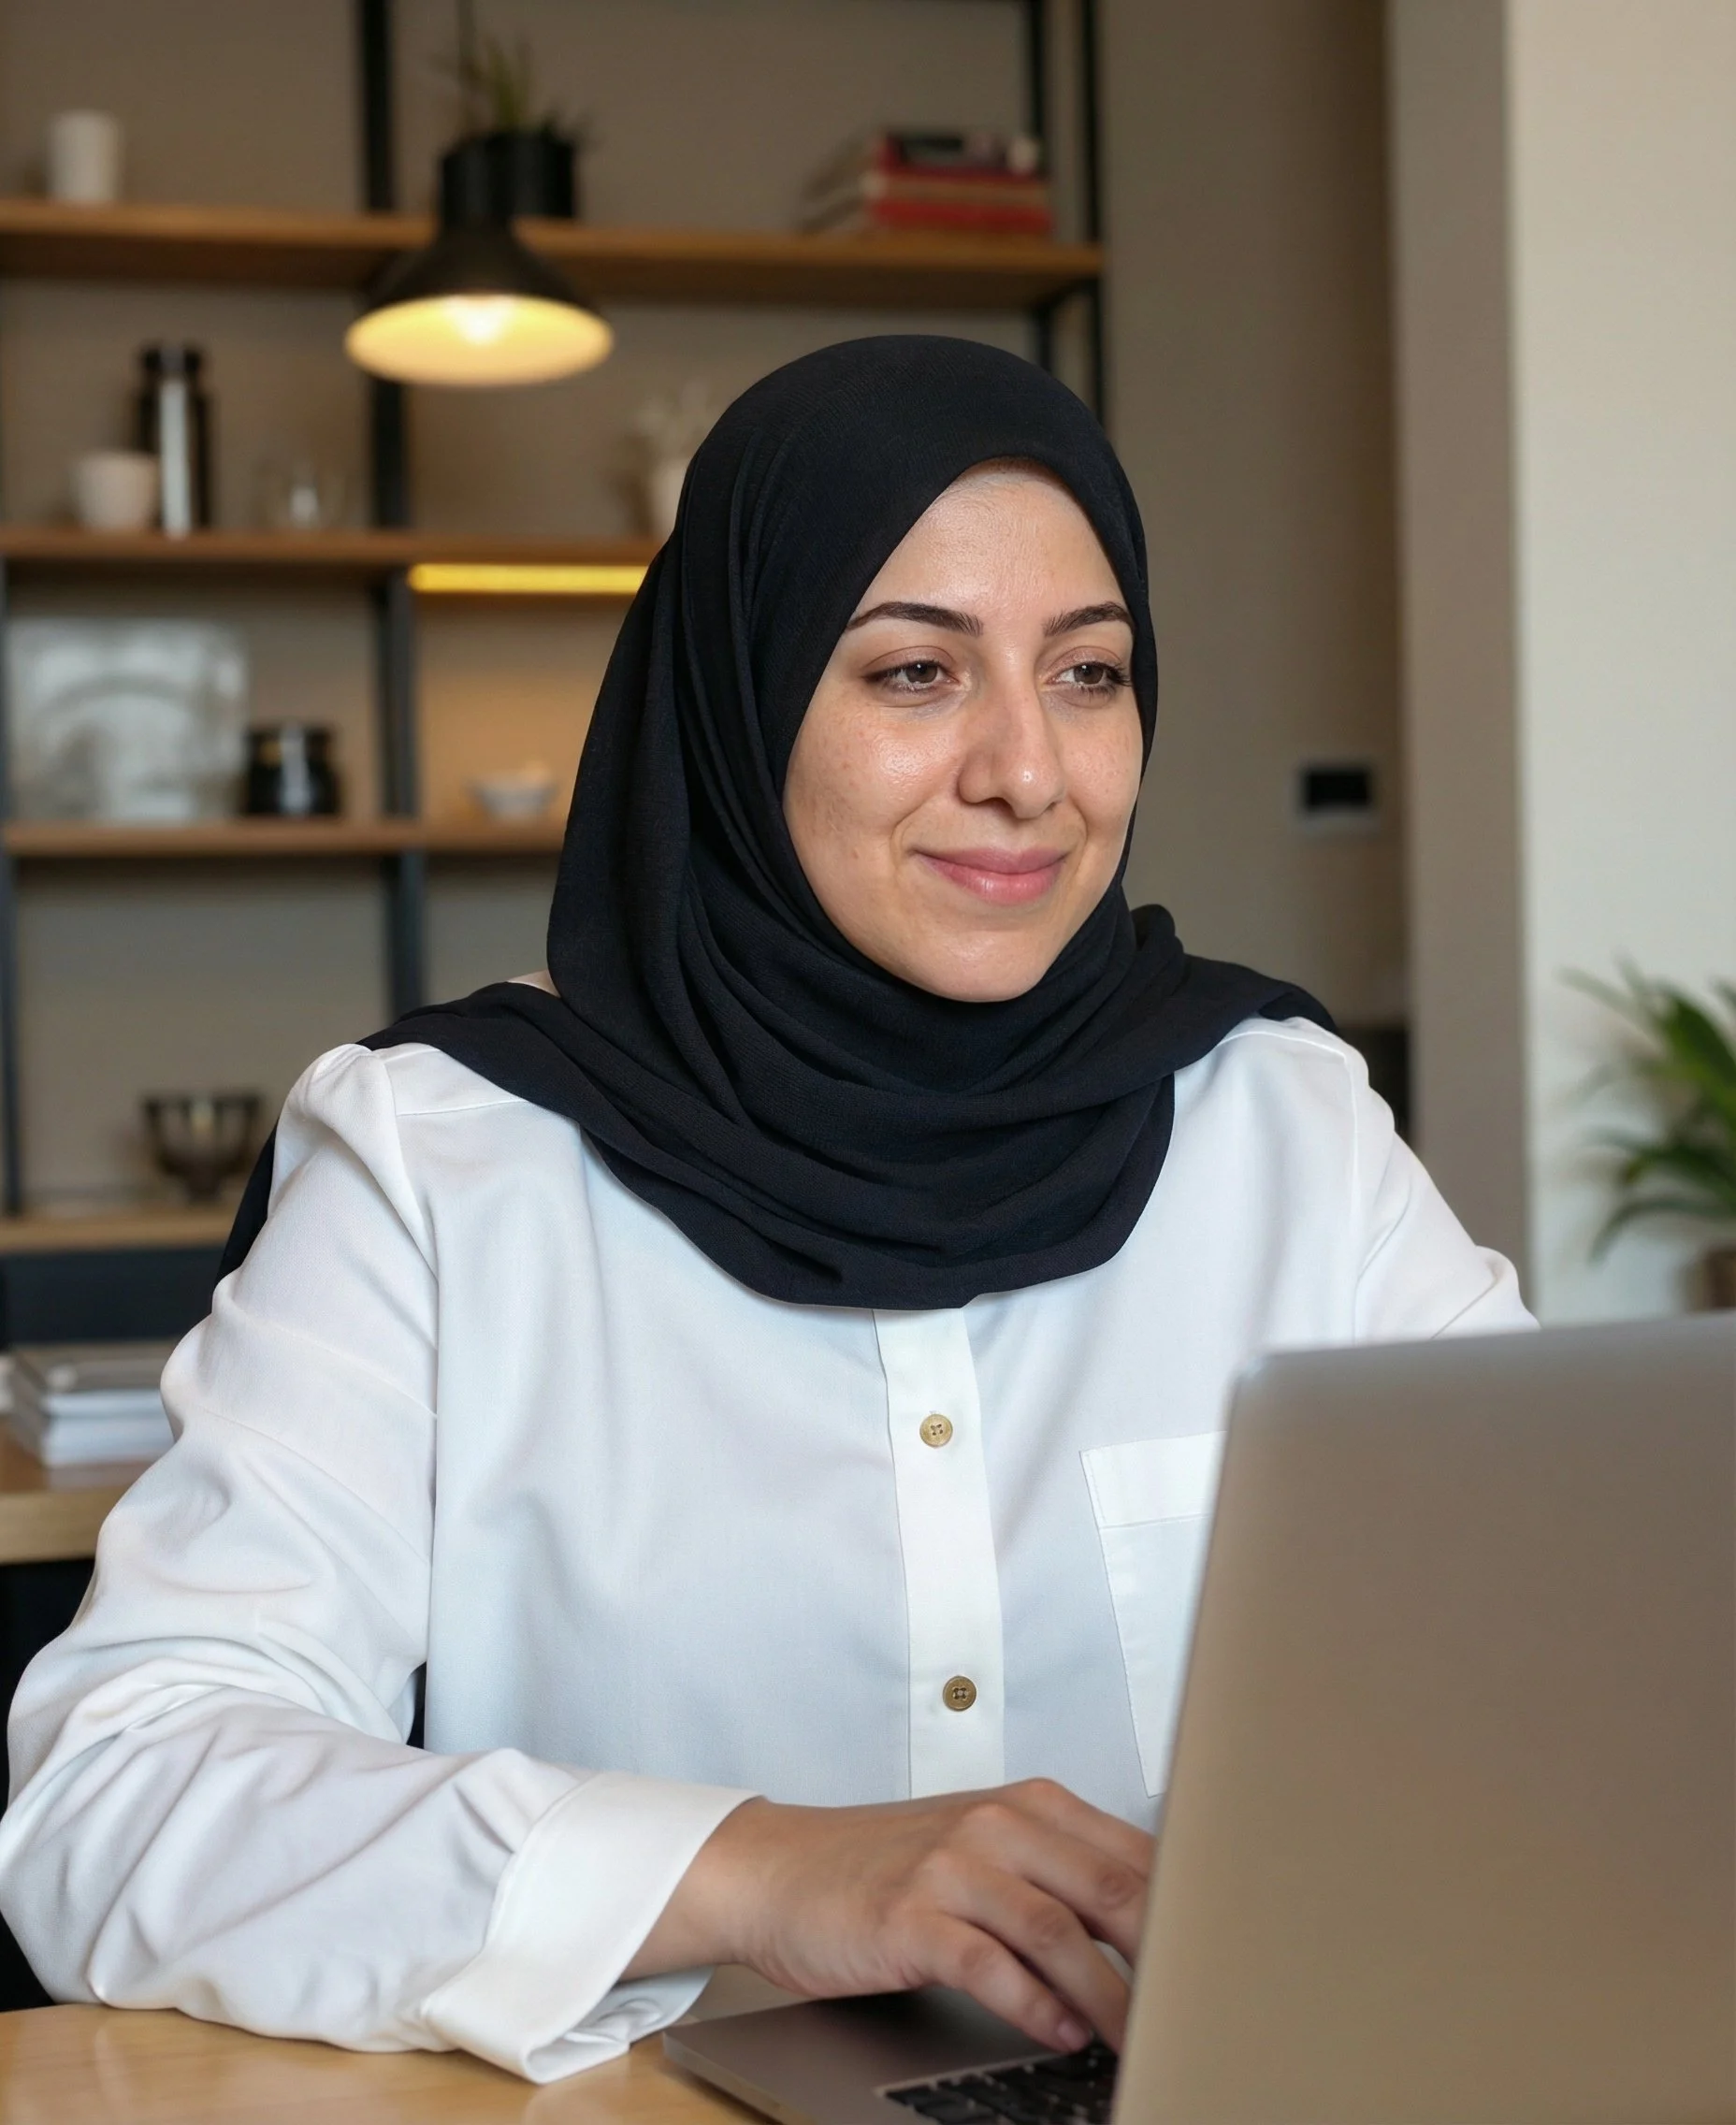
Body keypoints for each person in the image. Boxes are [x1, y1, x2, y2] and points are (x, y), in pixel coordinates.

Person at [0, 338, 1528, 2084]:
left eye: (1088, 672)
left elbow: (1560, 1641)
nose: (1029, 769)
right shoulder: (445, 1163)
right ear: (734, 703)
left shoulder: (1280, 1121)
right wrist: (750, 1869)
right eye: (914, 673)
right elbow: (115, 1800)